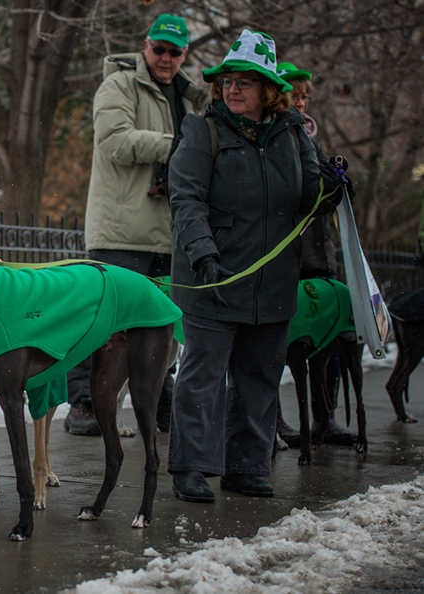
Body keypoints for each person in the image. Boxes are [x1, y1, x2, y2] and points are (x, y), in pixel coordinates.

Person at [165, 30, 347, 502]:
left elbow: (312, 201)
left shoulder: (293, 136)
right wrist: (204, 256)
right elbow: (186, 200)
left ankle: (245, 466)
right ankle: (191, 466)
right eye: (227, 81)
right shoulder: (200, 131)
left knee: (260, 377)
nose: (232, 90)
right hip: (212, 279)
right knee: (202, 378)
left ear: (268, 90)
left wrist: (332, 186)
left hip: (272, 283)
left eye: (245, 82)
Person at [66, 13, 210, 436]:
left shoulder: (190, 99)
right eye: (159, 49)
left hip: (168, 232)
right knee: (103, 321)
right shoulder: (119, 85)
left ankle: (161, 403)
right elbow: (114, 141)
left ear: (184, 54)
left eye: (175, 51)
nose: (165, 58)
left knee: (161, 325)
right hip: (121, 228)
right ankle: (83, 403)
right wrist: (179, 145)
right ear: (145, 46)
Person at [274, 62, 357, 447]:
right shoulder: (282, 135)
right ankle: (273, 421)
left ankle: (328, 418)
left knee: (331, 341)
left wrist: (340, 185)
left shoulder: (310, 136)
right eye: (295, 93)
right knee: (277, 347)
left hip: (322, 259)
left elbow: (324, 192)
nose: (301, 101)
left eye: (305, 95)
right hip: (294, 260)